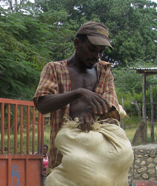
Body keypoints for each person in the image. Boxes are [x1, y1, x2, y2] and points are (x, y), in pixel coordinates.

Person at [33, 21, 120, 169]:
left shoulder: (104, 71)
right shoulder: (54, 69)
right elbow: (42, 105)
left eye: (101, 51)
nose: (96, 56)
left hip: (97, 153)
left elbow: (111, 107)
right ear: (77, 43)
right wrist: (78, 93)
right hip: (64, 156)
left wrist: (91, 111)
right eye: (92, 49)